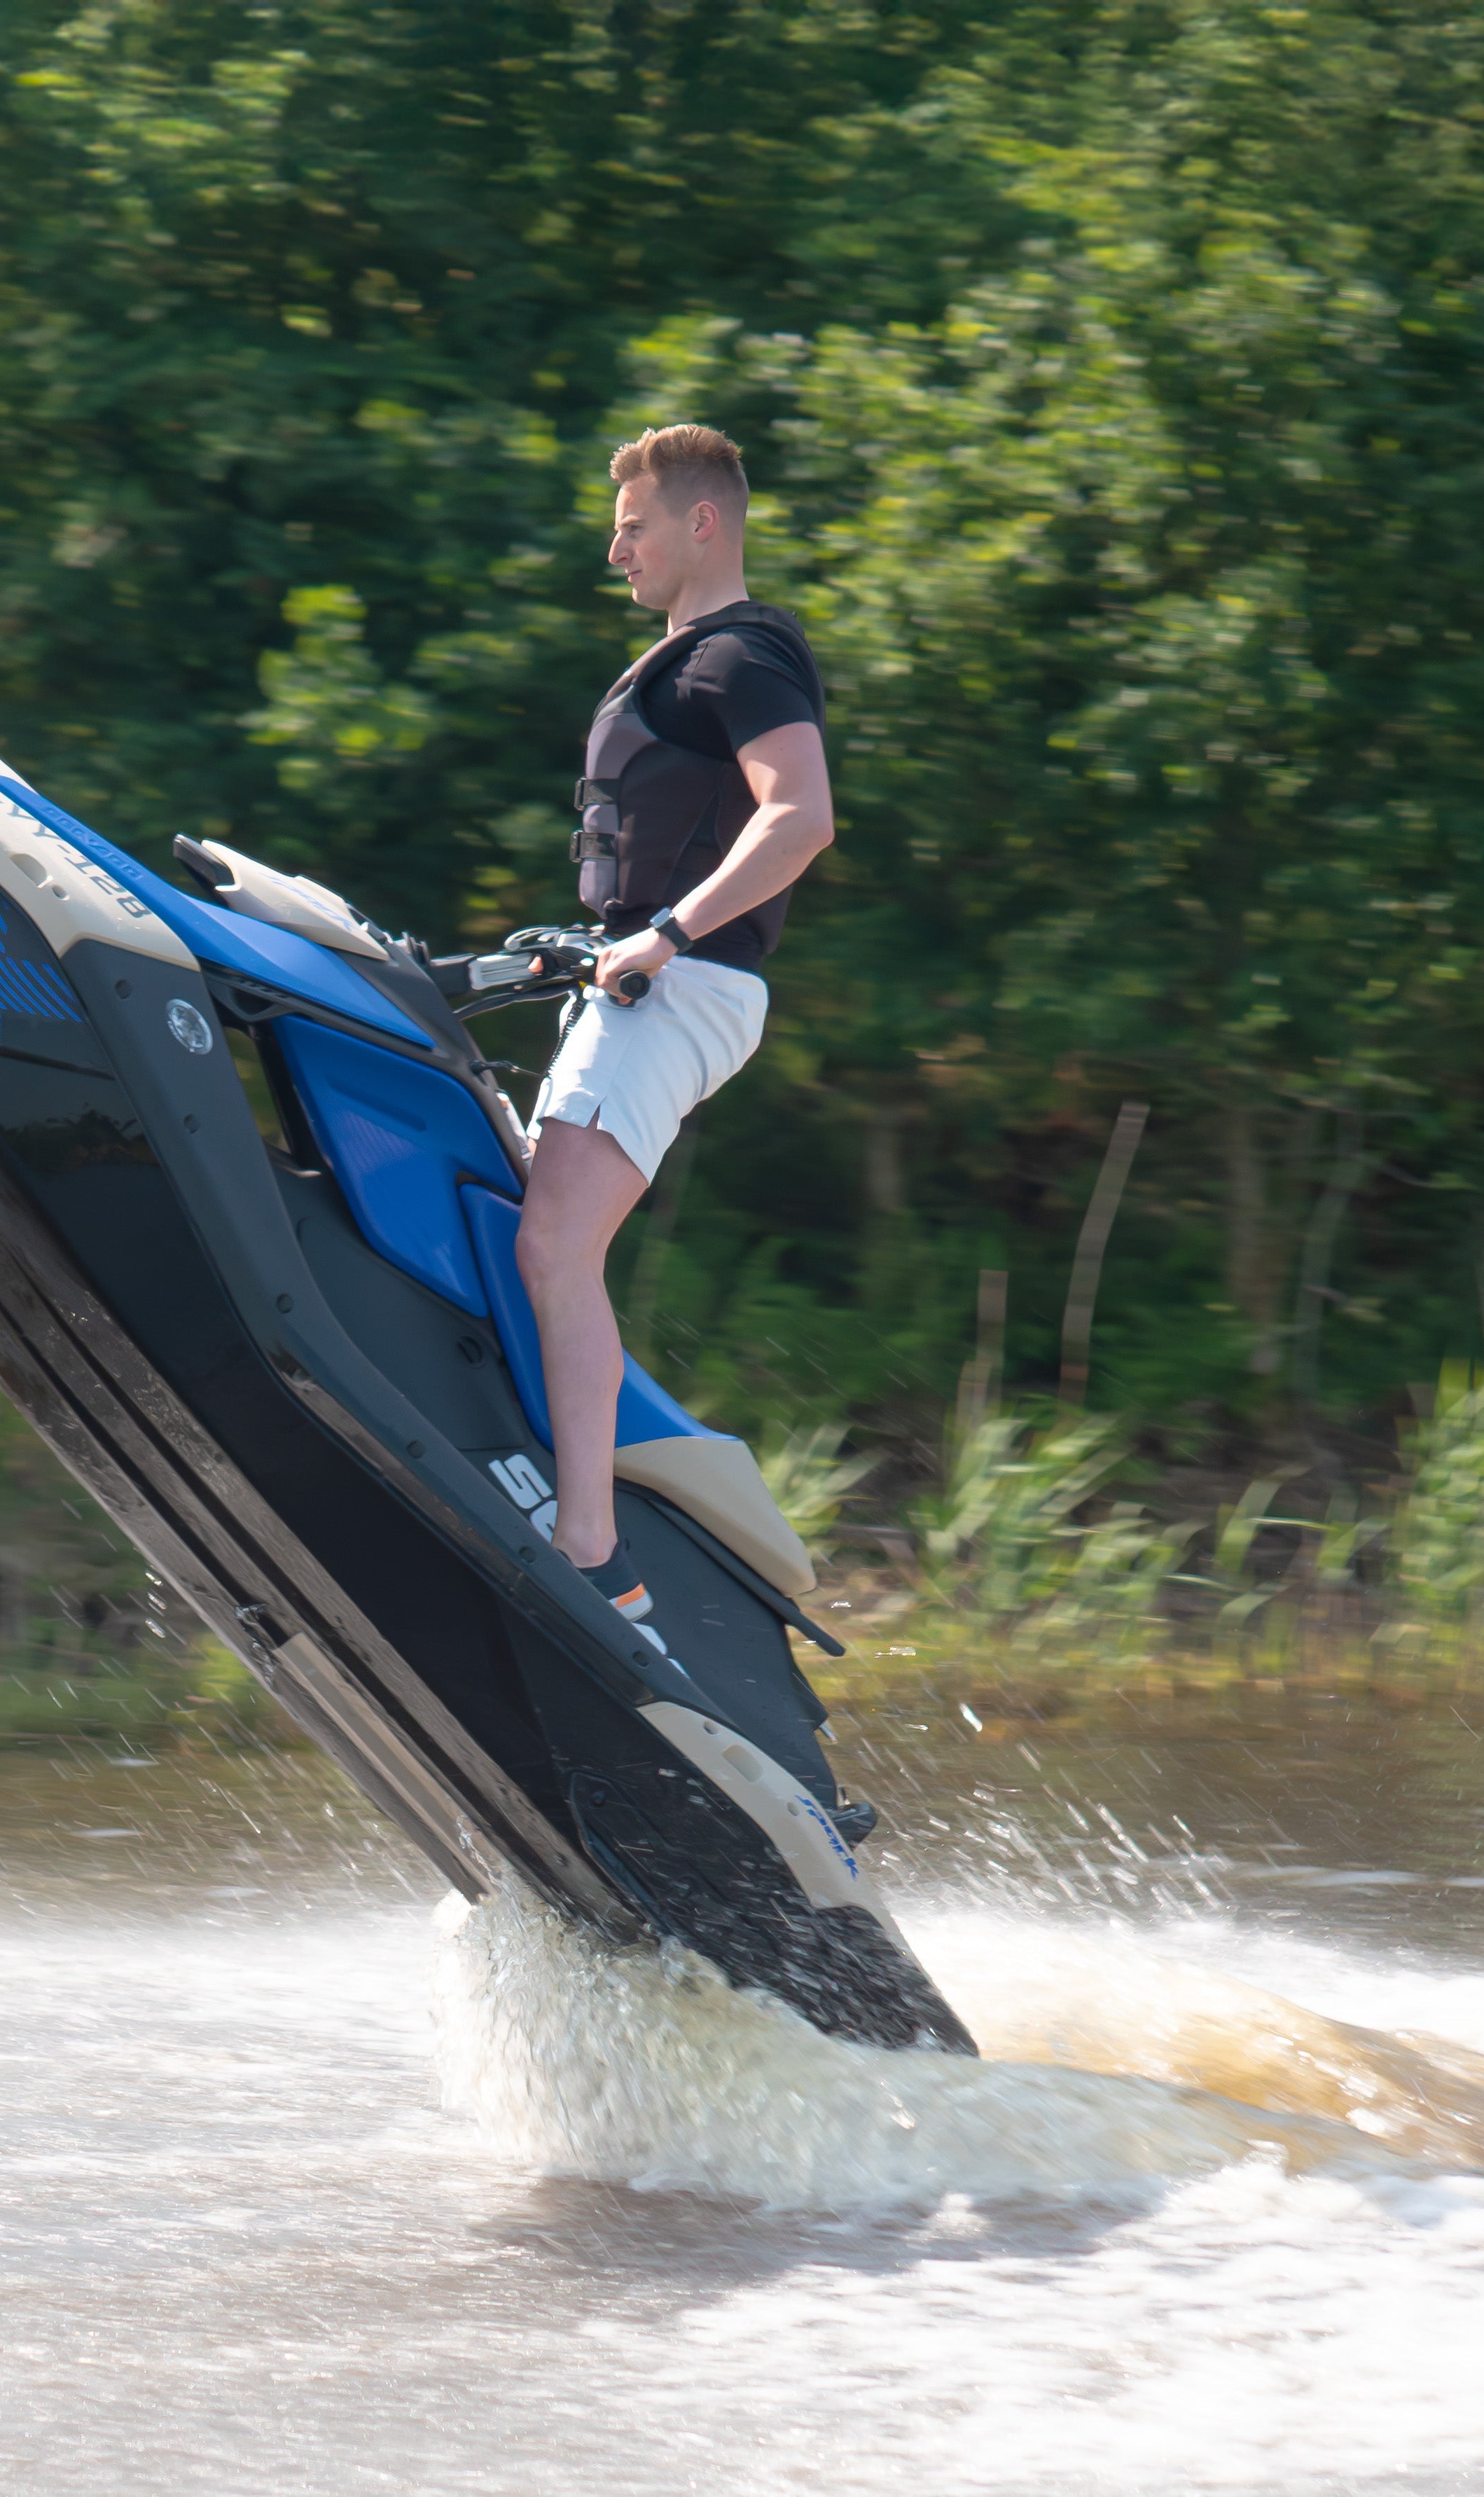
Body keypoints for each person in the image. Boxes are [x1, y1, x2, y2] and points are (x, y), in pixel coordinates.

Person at [515, 422, 834, 1621]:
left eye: (634, 525)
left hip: (682, 982)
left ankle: (592, 1551)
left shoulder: (737, 659)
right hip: (654, 976)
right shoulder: (692, 665)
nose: (616, 549)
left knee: (557, 1242)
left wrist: (668, 934)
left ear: (703, 522)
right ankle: (565, 1485)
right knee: (535, 1217)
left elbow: (798, 818)